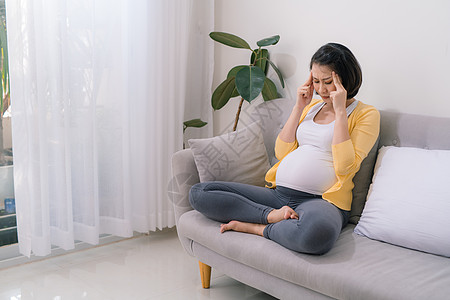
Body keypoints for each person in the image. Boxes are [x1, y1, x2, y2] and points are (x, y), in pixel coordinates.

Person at [189, 43, 380, 255]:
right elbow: (282, 152)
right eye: (316, 81)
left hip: (321, 202)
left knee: (317, 235)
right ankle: (270, 217)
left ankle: (258, 228)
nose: (321, 90)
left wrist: (340, 112)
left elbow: (345, 167)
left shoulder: (366, 114)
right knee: (199, 193)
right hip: (278, 196)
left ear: (346, 79)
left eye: (328, 82)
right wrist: (299, 106)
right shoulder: (310, 107)